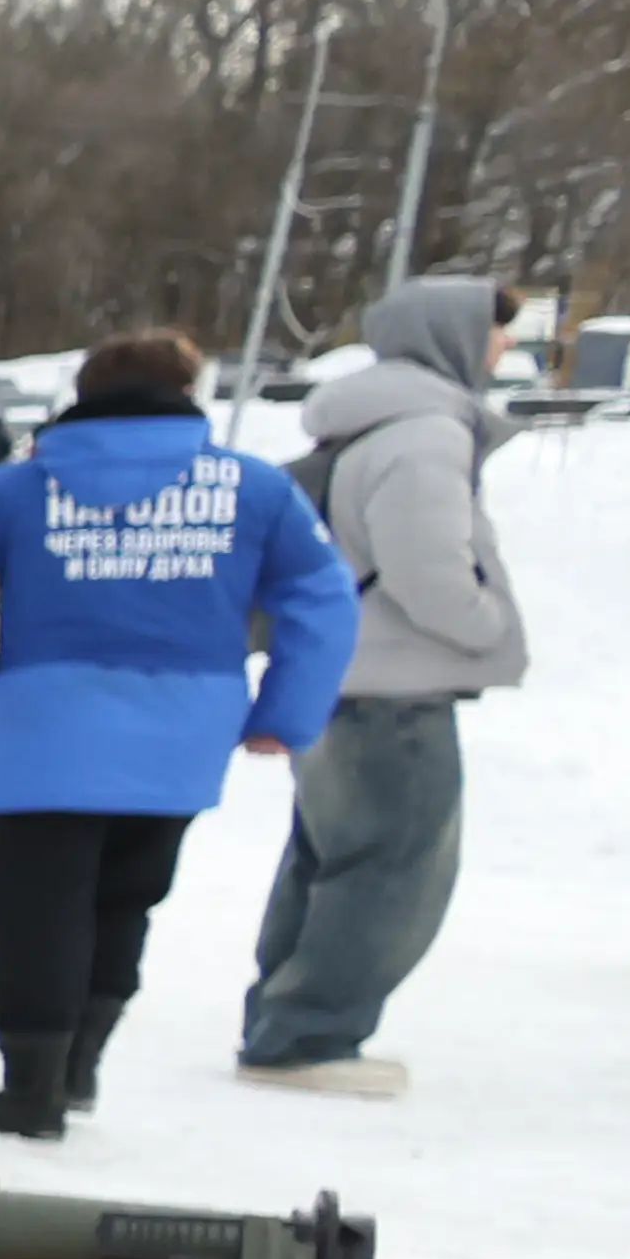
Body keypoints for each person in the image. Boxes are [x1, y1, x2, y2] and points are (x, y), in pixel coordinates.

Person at [0, 326, 350, 1138]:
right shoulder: (256, 491)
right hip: (186, 730)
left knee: (29, 907)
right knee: (125, 898)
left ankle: (30, 1085)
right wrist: (284, 711)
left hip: (44, 729)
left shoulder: (14, 490)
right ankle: (79, 1069)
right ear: (188, 393)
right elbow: (322, 599)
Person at [238, 276, 526, 1094]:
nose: (505, 346)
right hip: (393, 691)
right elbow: (426, 567)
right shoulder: (427, 434)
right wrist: (489, 626)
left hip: (340, 678)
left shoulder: (370, 423)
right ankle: (308, 1038)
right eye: (495, 329)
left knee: (328, 859)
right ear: (453, 336)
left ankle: (283, 1023)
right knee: (392, 868)